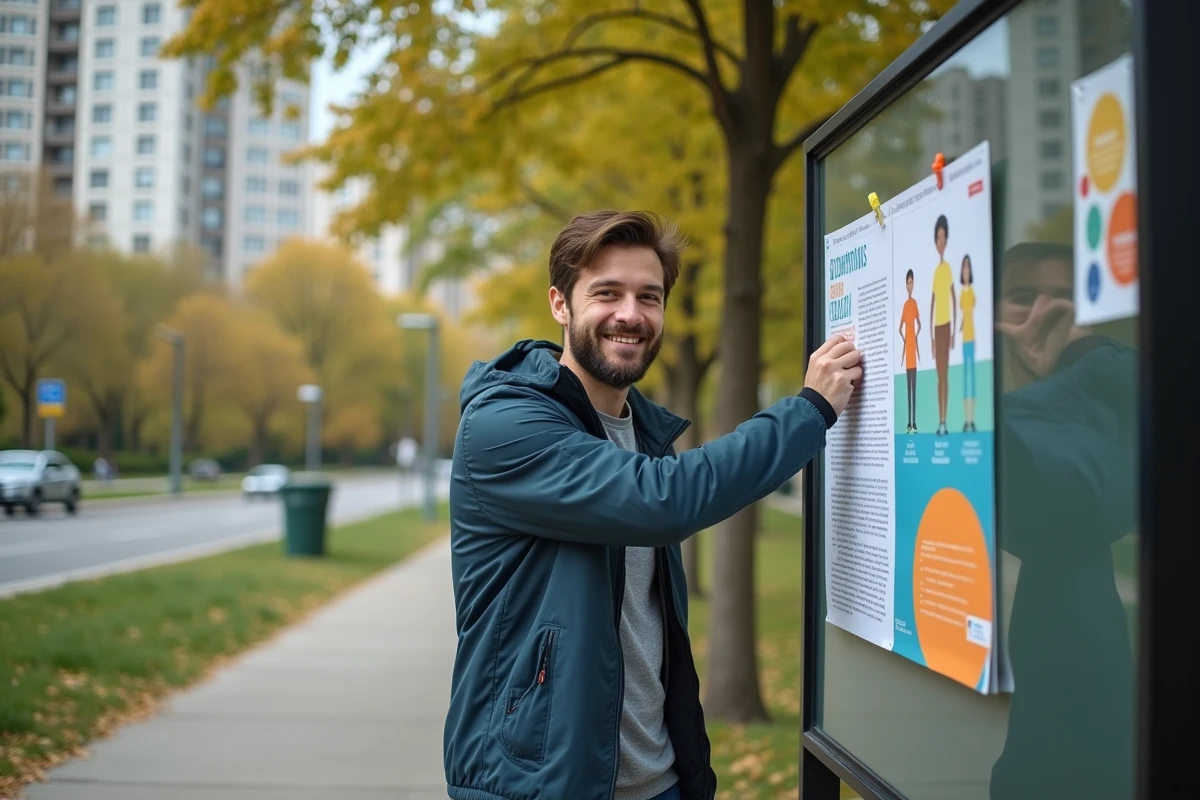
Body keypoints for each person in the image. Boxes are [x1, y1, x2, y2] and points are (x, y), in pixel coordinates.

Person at [443, 210, 861, 800]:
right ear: (560, 304)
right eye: (606, 293)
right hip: (537, 783)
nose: (630, 314)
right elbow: (664, 498)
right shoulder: (505, 423)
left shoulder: (645, 431)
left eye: (649, 296)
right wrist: (810, 410)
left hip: (659, 780)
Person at [929, 214, 957, 436]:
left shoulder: (947, 269)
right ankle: (940, 420)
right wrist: (930, 336)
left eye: (943, 237)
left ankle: (945, 421)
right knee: (939, 376)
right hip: (937, 329)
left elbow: (953, 298)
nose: (941, 241)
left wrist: (954, 331)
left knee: (945, 374)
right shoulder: (937, 270)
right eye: (938, 237)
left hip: (947, 326)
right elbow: (932, 303)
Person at [899, 268, 922, 433]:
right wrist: (906, 340)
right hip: (908, 353)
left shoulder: (914, 304)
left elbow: (919, 324)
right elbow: (900, 328)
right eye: (908, 283)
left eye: (911, 282)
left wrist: (913, 337)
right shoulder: (906, 305)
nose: (910, 285)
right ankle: (909, 422)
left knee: (914, 389)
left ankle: (914, 422)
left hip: (913, 351)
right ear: (906, 285)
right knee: (909, 390)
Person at [959, 254, 977, 432]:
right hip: (964, 339)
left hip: (972, 338)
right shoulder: (962, 294)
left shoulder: (971, 292)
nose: (966, 270)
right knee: (966, 379)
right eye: (964, 267)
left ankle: (972, 420)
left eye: (968, 267)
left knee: (972, 379)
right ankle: (967, 419)